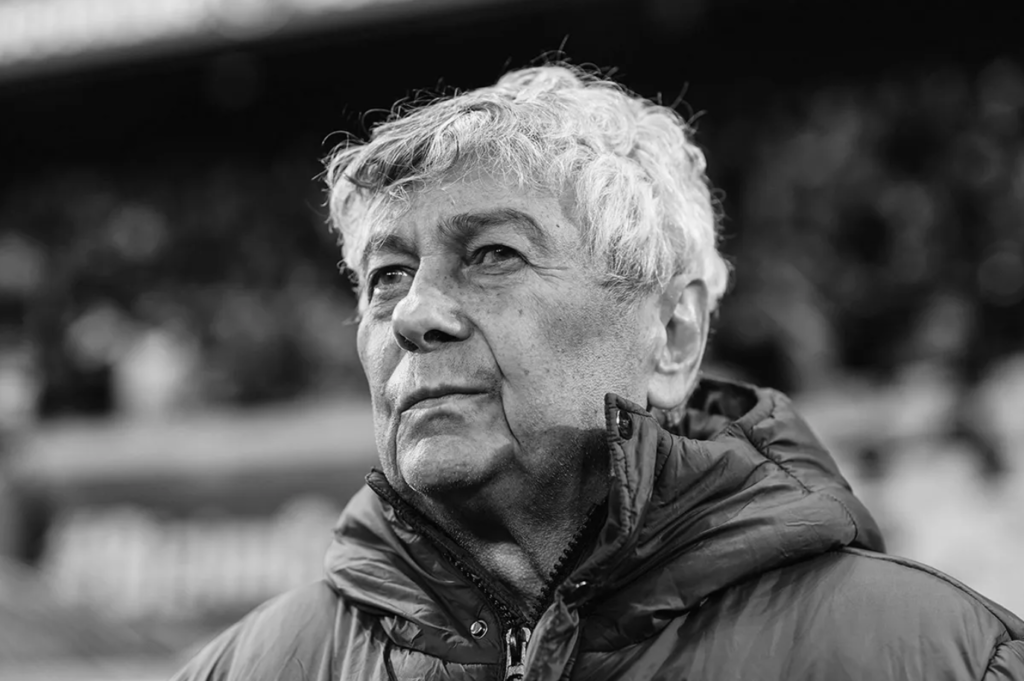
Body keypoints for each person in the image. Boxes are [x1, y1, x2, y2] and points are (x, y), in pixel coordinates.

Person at [172, 64, 1024, 680]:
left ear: (673, 334)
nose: (413, 312)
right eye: (386, 275)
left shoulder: (941, 656)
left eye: (493, 254)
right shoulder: (246, 667)